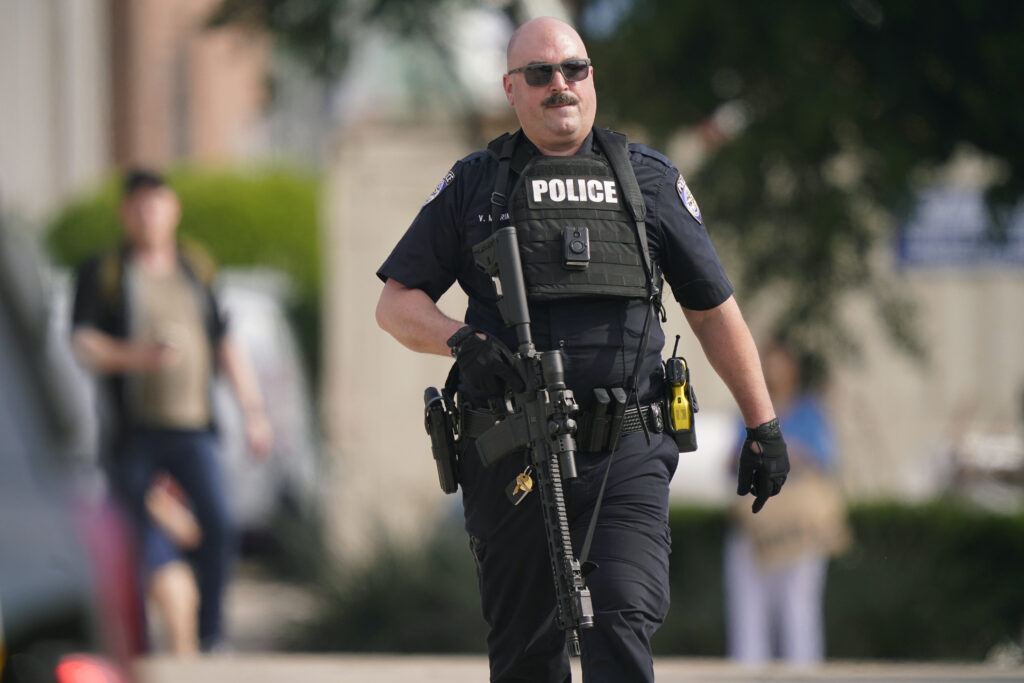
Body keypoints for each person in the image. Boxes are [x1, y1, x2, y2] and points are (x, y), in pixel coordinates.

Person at [375, 17, 789, 682]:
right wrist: (463, 342)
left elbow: (713, 311)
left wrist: (764, 424)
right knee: (527, 656)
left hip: (626, 447)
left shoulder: (647, 180)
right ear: (512, 89)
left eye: (574, 68)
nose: (559, 84)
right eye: (539, 73)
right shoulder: (475, 185)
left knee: (620, 622)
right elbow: (396, 302)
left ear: (592, 78)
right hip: (515, 451)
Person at [70, 168, 272, 652]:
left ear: (173, 210)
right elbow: (83, 343)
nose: (148, 215)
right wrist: (138, 356)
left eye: (156, 204)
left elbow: (224, 341)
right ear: (125, 213)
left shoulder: (194, 267)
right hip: (133, 430)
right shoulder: (106, 272)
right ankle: (138, 645)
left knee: (219, 521)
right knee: (134, 538)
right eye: (138, 206)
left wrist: (253, 409)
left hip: (193, 427)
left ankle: (212, 634)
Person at [724, 342, 849, 666]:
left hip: (798, 525)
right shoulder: (749, 408)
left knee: (799, 606)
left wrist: (786, 450)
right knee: (748, 607)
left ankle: (802, 670)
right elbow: (731, 458)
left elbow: (825, 458)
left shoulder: (809, 410)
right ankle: (748, 671)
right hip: (756, 523)